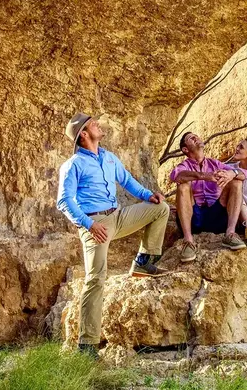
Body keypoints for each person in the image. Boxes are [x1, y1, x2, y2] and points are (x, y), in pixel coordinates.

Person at [56, 112, 170, 357]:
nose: (98, 124)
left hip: (117, 216)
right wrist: (88, 224)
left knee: (160, 208)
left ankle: (144, 261)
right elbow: (64, 201)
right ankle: (86, 346)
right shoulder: (73, 164)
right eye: (92, 124)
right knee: (95, 279)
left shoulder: (108, 158)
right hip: (95, 223)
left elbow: (127, 180)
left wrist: (148, 195)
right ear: (83, 135)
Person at [170, 131, 247, 262]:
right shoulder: (184, 166)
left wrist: (232, 173)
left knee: (236, 182)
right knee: (182, 186)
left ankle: (230, 234)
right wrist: (204, 176)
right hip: (195, 218)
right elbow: (177, 176)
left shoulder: (215, 163)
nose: (196, 137)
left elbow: (245, 173)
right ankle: (188, 241)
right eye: (190, 138)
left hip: (216, 214)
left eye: (196, 135)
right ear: (185, 149)